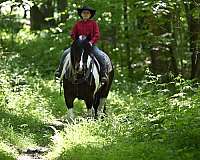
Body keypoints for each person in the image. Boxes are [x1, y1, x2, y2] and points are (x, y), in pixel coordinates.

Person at [55, 6, 108, 83]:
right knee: (65, 53)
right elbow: (73, 34)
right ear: (81, 14)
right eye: (84, 13)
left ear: (90, 15)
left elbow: (97, 35)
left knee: (100, 56)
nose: (85, 14)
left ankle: (103, 75)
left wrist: (91, 42)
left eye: (87, 13)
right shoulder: (77, 24)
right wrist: (77, 39)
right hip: (78, 45)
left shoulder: (94, 23)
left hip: (90, 45)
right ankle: (59, 72)